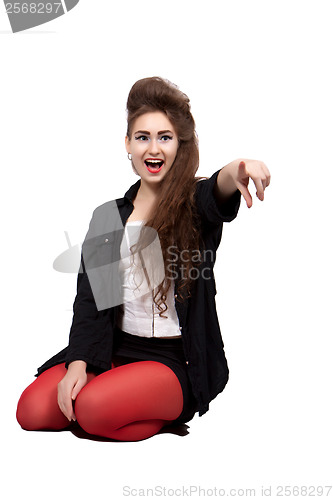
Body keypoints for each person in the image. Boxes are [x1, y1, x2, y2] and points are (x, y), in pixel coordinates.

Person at [16, 76, 271, 442]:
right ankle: (119, 401)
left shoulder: (194, 203)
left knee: (89, 410)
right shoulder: (108, 216)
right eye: (143, 136)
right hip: (115, 348)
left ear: (179, 144)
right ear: (128, 144)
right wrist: (78, 364)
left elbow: (219, 190)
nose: (154, 148)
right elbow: (91, 302)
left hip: (172, 361)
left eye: (165, 137)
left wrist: (238, 168)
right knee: (33, 411)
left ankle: (149, 409)